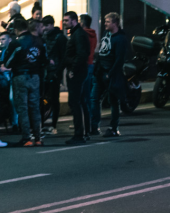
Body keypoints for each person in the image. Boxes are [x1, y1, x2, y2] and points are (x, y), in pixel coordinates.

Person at [4, 18, 47, 146]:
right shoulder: (40, 41)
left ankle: (26, 137)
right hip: (35, 77)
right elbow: (44, 60)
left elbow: (7, 62)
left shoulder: (16, 43)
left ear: (17, 30)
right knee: (35, 107)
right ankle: (38, 138)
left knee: (22, 108)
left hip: (20, 76)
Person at [93, 12, 128, 136]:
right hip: (100, 72)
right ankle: (94, 126)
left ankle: (114, 128)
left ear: (115, 23)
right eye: (105, 21)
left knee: (113, 101)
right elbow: (102, 52)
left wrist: (111, 73)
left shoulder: (121, 39)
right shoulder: (106, 34)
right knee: (95, 98)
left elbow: (119, 59)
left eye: (108, 21)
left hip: (111, 74)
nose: (105, 24)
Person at [63, 11, 91, 145]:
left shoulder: (78, 35)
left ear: (74, 21)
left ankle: (79, 134)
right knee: (81, 102)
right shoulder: (77, 34)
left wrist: (73, 69)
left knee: (75, 102)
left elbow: (81, 54)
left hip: (77, 73)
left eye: (66, 20)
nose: (64, 23)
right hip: (79, 71)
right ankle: (85, 131)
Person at [42, 15, 67, 135]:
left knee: (54, 99)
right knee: (43, 98)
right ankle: (45, 124)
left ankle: (54, 124)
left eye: (46, 25)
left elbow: (63, 57)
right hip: (46, 72)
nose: (44, 28)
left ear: (51, 25)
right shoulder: (46, 36)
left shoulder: (60, 38)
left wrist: (58, 72)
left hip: (53, 72)